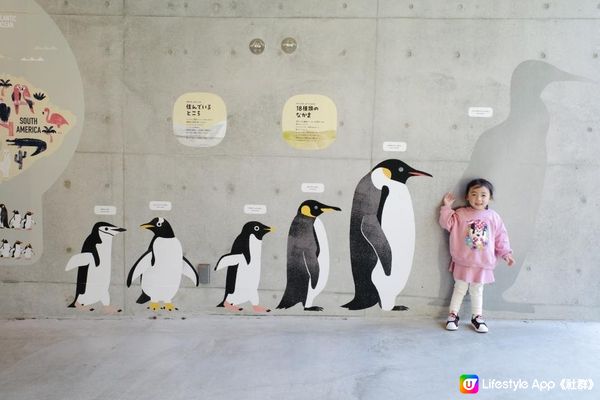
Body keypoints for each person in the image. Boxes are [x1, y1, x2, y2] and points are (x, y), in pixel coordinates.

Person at [439, 178, 514, 333]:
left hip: (483, 263)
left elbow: (501, 236)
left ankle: (477, 317)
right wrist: (447, 207)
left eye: (483, 195)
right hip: (463, 261)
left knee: (477, 289)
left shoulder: (493, 217)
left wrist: (506, 253)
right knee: (459, 288)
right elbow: (445, 223)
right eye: (474, 194)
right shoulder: (460, 214)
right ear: (467, 196)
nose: (478, 199)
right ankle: (453, 315)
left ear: (489, 198)